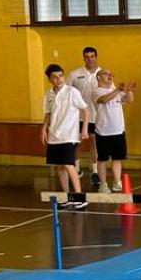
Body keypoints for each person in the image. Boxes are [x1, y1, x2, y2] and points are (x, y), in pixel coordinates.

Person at [40, 63, 90, 210]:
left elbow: (85, 110)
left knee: (69, 164)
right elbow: (48, 114)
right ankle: (67, 196)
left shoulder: (72, 91)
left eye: (60, 75)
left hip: (69, 135)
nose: (59, 79)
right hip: (54, 135)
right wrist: (43, 129)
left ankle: (79, 196)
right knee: (60, 167)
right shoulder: (48, 95)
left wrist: (84, 129)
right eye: (54, 77)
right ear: (50, 79)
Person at [93, 70, 135, 193]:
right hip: (103, 131)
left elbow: (129, 100)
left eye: (111, 73)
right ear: (99, 77)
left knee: (117, 158)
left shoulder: (115, 90)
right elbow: (104, 100)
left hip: (118, 130)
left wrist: (130, 90)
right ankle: (103, 184)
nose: (110, 75)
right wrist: (118, 90)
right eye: (106, 74)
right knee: (102, 159)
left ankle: (117, 182)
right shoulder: (96, 91)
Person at [67, 46, 101, 187]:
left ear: (96, 57)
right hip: (78, 116)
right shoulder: (75, 74)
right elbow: (66, 91)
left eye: (92, 56)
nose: (90, 59)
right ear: (83, 58)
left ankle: (95, 171)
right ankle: (77, 168)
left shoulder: (103, 73)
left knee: (93, 142)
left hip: (96, 115)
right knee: (77, 143)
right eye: (87, 57)